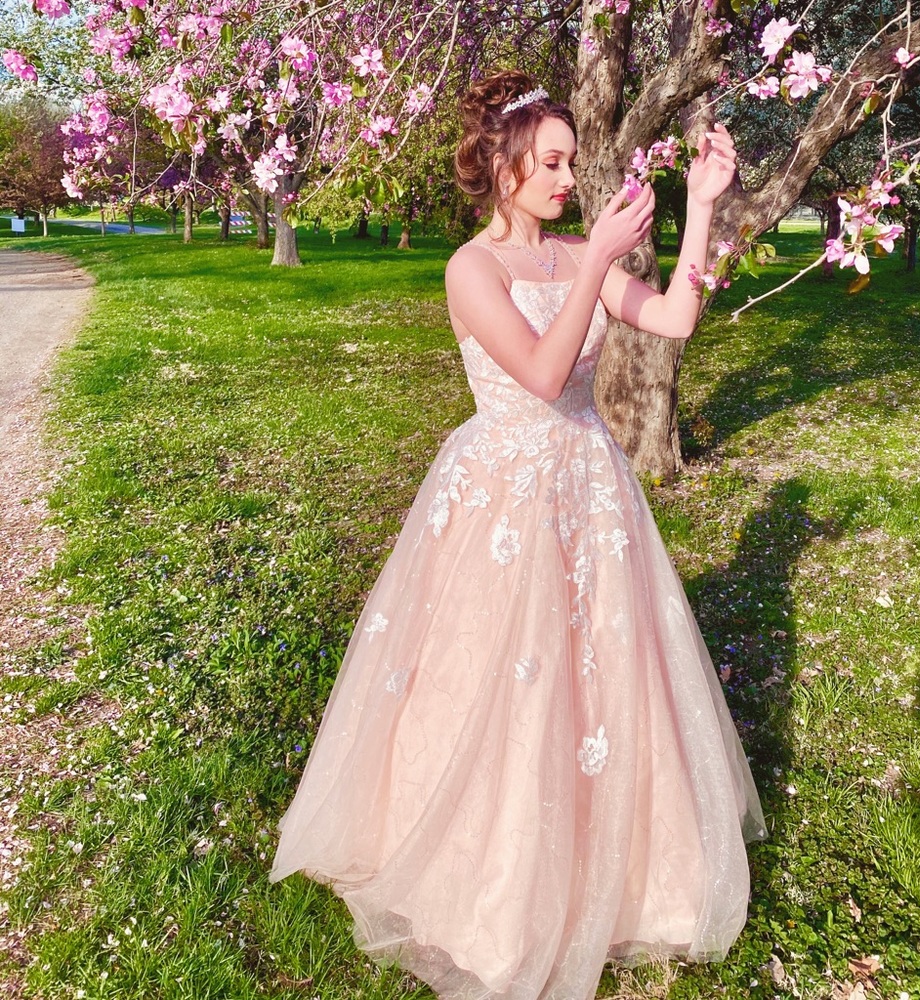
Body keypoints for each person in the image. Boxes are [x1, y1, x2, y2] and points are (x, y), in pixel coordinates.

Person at [270, 69, 766, 1000]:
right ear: (503, 167)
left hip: (591, 487)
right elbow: (542, 374)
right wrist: (591, 267)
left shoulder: (581, 250)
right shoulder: (473, 268)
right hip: (501, 494)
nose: (568, 177)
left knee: (597, 674)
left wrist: (701, 210)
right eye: (552, 160)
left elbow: (675, 316)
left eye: (573, 161)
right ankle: (488, 876)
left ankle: (612, 866)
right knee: (497, 672)